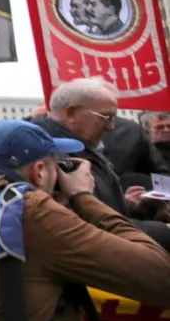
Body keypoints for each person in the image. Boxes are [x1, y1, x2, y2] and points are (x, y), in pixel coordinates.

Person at [0, 120, 170, 321]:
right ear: (39, 172)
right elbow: (160, 277)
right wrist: (83, 196)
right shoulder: (33, 212)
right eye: (57, 165)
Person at [32, 77, 170, 249]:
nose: (111, 127)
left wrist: (131, 205)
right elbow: (88, 225)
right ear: (71, 113)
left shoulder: (87, 146)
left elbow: (99, 207)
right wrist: (163, 230)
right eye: (106, 117)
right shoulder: (51, 158)